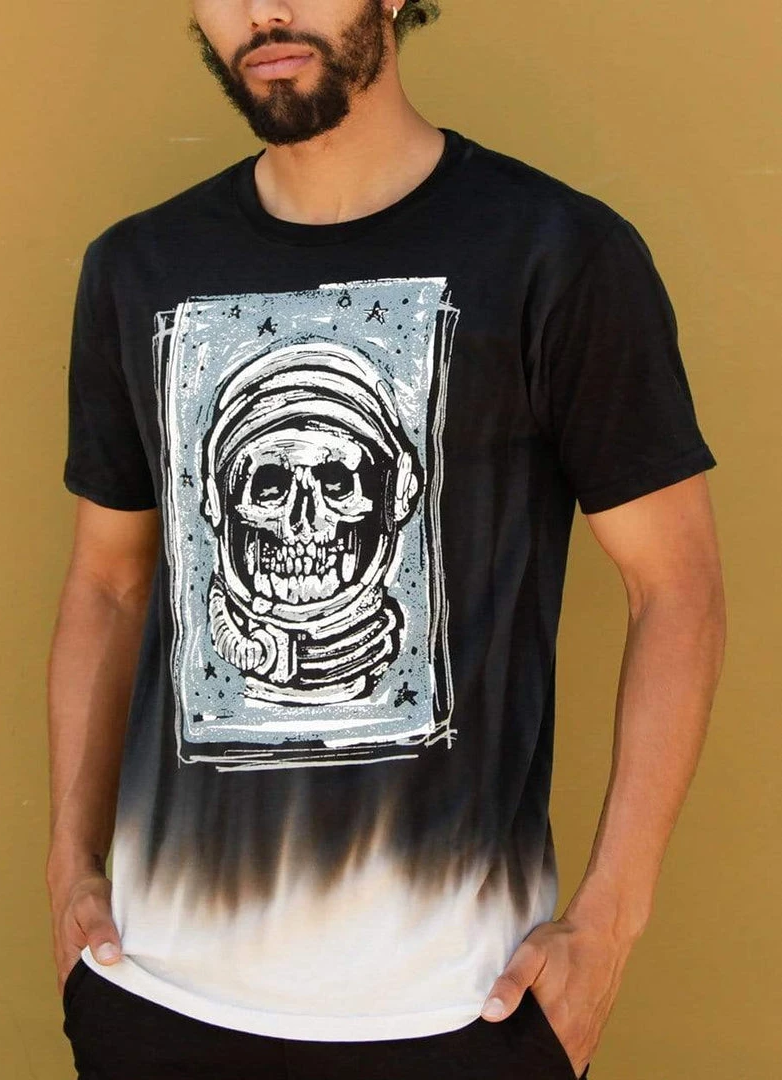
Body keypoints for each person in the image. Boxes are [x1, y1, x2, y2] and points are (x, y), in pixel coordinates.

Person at [46, 1, 726, 1077]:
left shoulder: (556, 254)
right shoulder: (138, 268)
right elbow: (110, 585)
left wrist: (608, 925)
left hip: (462, 1011)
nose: (265, 10)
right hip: (152, 993)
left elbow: (675, 588)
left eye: (337, 483)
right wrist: (68, 865)